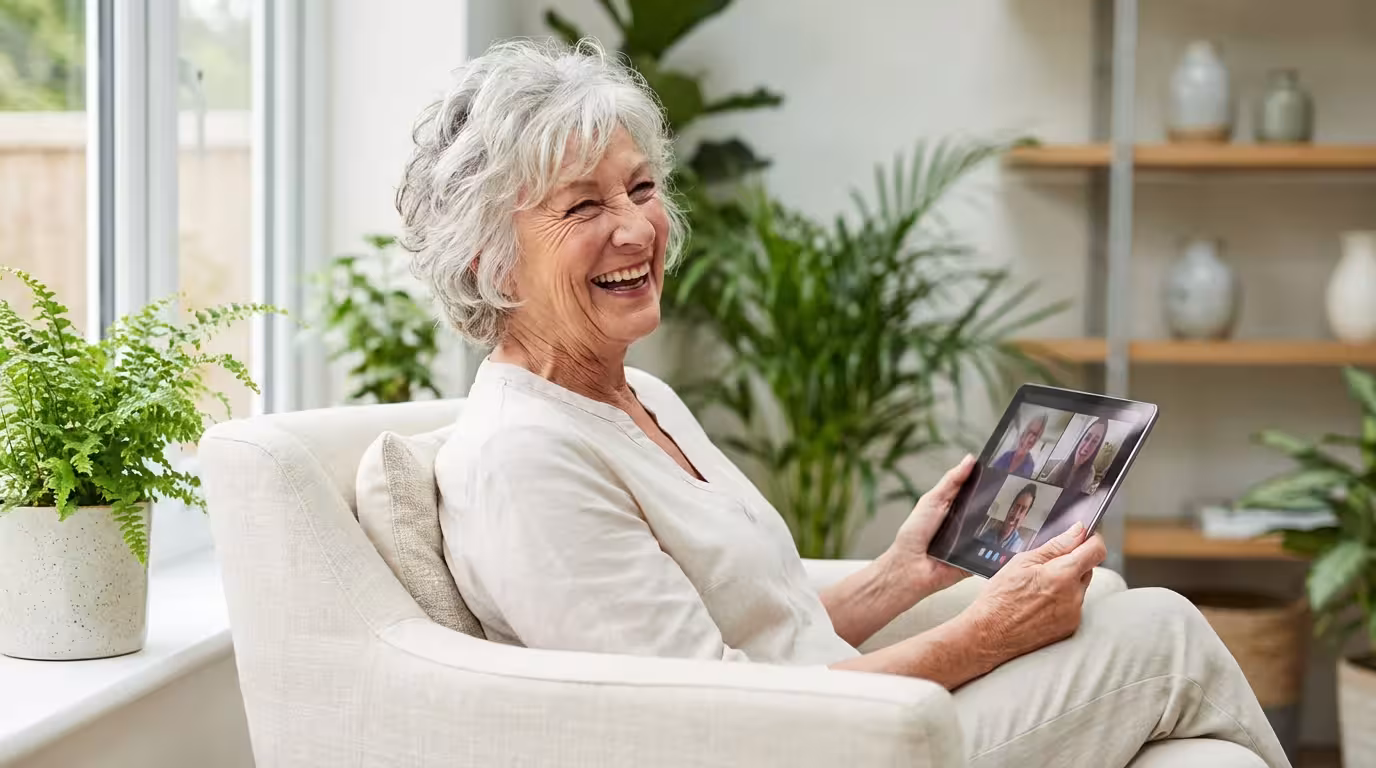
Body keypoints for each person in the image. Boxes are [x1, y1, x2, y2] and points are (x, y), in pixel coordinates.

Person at [400, 39, 1287, 768]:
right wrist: (987, 634)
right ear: (489, 260)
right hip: (823, 751)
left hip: (837, 720)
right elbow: (707, 726)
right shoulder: (524, 458)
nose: (636, 227)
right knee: (1162, 629)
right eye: (583, 205)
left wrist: (905, 571)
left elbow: (759, 636)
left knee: (1125, 619)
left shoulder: (639, 397)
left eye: (640, 187)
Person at [1043, 418, 1108, 494]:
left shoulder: (1090, 473)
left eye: (1094, 442)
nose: (1086, 448)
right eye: (1087, 438)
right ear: (1081, 439)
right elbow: (1046, 484)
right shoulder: (1063, 463)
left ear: (1096, 449)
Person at [975, 483, 1036, 554]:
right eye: (1016, 506)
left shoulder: (1018, 546)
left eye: (1023, 509)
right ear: (1010, 507)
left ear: (1025, 516)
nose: (1016, 513)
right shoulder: (988, 533)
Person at [990, 412, 1046, 477]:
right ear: (1022, 435)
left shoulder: (1029, 465)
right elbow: (992, 472)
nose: (1031, 439)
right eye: (1029, 432)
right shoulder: (1007, 455)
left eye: (1036, 437)